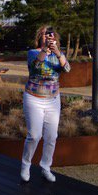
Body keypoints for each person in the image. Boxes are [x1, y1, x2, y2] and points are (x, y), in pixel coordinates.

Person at [20, 25, 71, 183]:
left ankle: (45, 167)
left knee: (51, 137)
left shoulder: (58, 54)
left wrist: (57, 52)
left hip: (53, 100)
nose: (47, 37)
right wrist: (44, 50)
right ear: (39, 38)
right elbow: (35, 66)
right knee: (34, 135)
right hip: (34, 99)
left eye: (50, 35)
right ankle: (26, 164)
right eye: (44, 35)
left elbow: (67, 69)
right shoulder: (33, 53)